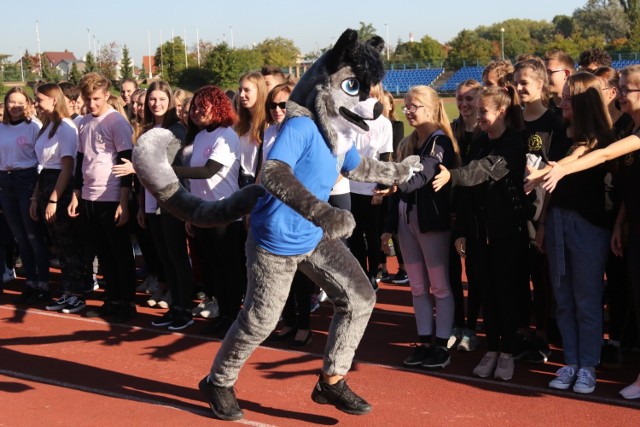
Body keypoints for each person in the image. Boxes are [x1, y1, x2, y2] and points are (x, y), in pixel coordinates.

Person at [432, 85, 529, 381]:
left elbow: (486, 170)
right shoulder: (479, 141)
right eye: (477, 111)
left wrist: (454, 176)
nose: (478, 116)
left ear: (501, 111)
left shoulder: (514, 143)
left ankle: (508, 351)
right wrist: (461, 230)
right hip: (478, 234)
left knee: (507, 294)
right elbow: (469, 194)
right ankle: (492, 347)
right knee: (487, 293)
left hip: (507, 234)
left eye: (483, 111)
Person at [535, 72, 614, 394]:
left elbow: (578, 156)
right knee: (563, 299)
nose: (562, 101)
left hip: (588, 226)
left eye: (569, 97)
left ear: (584, 100)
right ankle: (571, 361)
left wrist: (560, 166)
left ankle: (588, 366)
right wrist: (542, 222)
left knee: (587, 299)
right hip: (556, 222)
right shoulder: (558, 129)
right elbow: (555, 183)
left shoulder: (603, 137)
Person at [381, 85, 459, 369]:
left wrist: (389, 178)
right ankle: (425, 341)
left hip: (430, 223)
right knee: (417, 287)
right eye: (406, 106)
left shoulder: (441, 143)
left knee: (439, 286)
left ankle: (441, 345)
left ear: (430, 108)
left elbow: (419, 178)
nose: (408, 111)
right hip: (406, 220)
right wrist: (389, 226)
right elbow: (402, 192)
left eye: (414, 106)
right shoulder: (409, 143)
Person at [174, 85, 247, 338]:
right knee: (213, 269)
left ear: (216, 106)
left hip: (224, 213)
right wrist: (192, 213)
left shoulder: (227, 135)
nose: (195, 111)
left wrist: (168, 172)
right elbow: (195, 183)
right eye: (193, 107)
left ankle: (232, 316)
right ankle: (223, 314)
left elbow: (208, 171)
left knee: (229, 268)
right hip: (203, 212)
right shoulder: (201, 136)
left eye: (201, 106)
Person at [513, 57, 570, 363]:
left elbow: (555, 176)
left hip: (540, 215)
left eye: (525, 82)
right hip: (512, 214)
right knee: (518, 276)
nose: (519, 87)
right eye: (517, 82)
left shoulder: (555, 124)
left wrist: (546, 218)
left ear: (540, 84)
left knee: (542, 277)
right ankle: (522, 333)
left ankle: (543, 336)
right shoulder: (512, 120)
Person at [69, 72, 137, 323]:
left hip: (111, 196)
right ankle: (112, 298)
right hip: (88, 196)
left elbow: (125, 160)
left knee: (120, 252)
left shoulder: (116, 121)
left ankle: (127, 302)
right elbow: (80, 160)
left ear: (107, 95)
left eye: (96, 98)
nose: (92, 104)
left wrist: (123, 202)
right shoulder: (83, 122)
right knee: (103, 253)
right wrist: (76, 194)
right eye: (87, 99)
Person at [31, 83, 93, 314]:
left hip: (61, 188)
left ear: (53, 99)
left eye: (39, 99)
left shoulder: (66, 128)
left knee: (69, 244)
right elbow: (43, 166)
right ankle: (67, 292)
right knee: (59, 245)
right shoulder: (47, 126)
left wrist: (55, 199)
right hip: (46, 183)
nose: (36, 103)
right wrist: (36, 197)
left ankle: (77, 294)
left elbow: (67, 167)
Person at [0, 87, 50, 303]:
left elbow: (42, 160)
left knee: (33, 236)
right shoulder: (1, 127)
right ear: (5, 104)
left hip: (27, 181)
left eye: (20, 102)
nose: (15, 106)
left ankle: (44, 283)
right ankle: (30, 281)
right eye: (11, 102)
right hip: (5, 182)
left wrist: (36, 192)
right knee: (19, 237)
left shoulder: (34, 127)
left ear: (28, 104)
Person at [447, 79, 482, 352]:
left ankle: (471, 327)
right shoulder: (451, 131)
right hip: (452, 209)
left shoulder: (486, 130)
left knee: (475, 273)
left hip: (479, 211)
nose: (464, 103)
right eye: (460, 98)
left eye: (470, 98)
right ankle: (456, 324)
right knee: (450, 273)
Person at [348, 83, 393, 288]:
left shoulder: (384, 124)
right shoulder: (350, 120)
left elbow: (385, 157)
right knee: (354, 234)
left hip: (370, 188)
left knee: (372, 233)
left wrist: (380, 188)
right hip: (349, 187)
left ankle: (373, 273)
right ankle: (361, 273)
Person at [235, 72, 269, 187]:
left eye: (246, 90)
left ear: (259, 91)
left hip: (260, 184)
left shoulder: (269, 124)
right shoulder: (240, 125)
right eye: (240, 90)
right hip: (240, 182)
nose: (241, 94)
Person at [544, 50, 575, 116]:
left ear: (566, 74)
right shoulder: (542, 109)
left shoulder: (579, 108)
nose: (545, 77)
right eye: (544, 73)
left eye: (550, 72)